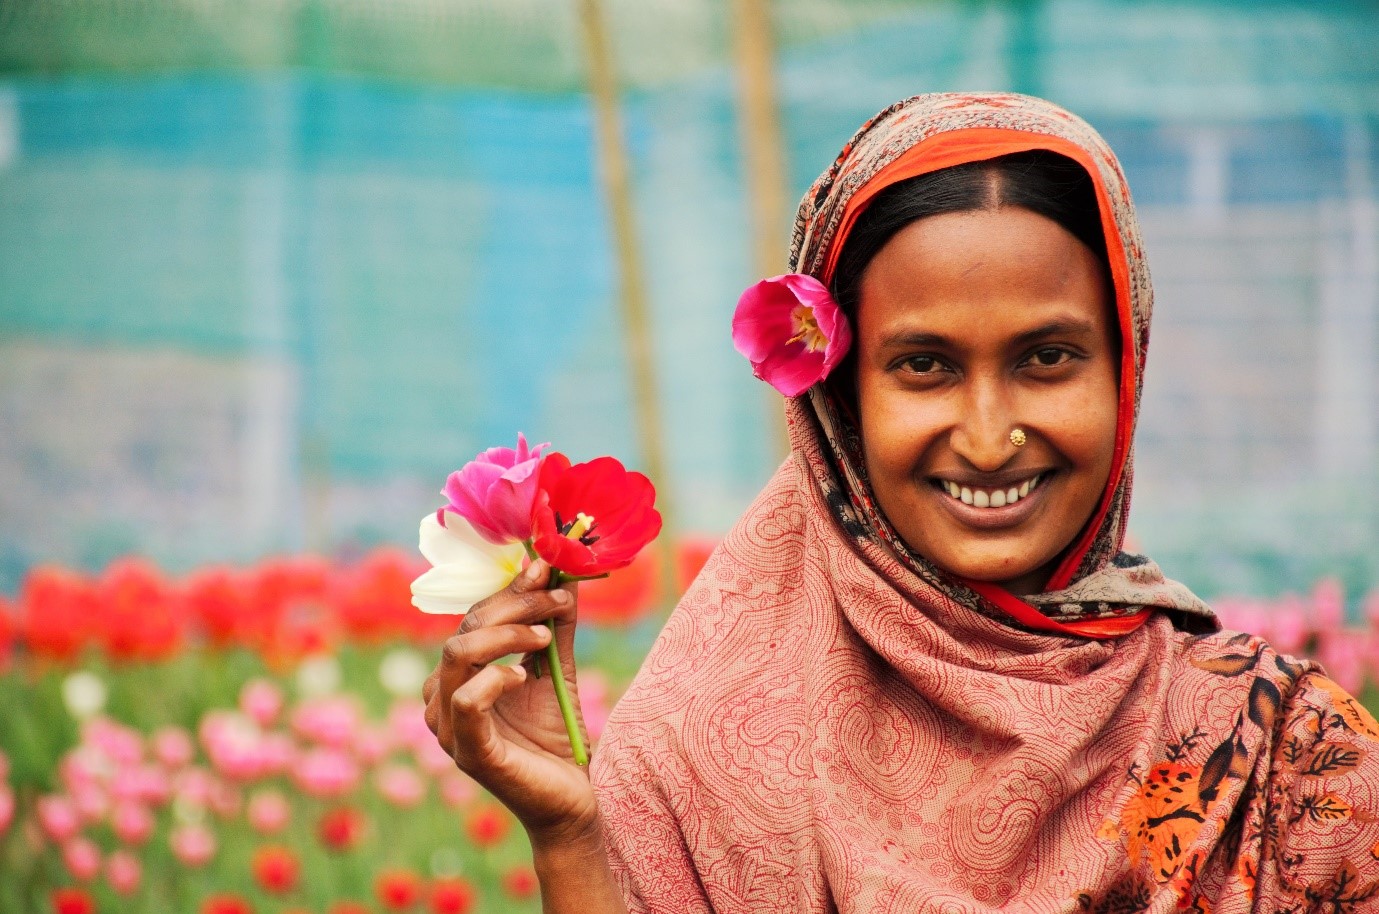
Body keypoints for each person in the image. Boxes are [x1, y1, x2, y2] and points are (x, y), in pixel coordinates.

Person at [422, 94, 1379, 913]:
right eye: (923, 367)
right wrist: (571, 842)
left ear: (1124, 365)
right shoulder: (689, 763)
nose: (987, 432)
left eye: (1046, 359)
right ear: (839, 400)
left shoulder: (1283, 750)